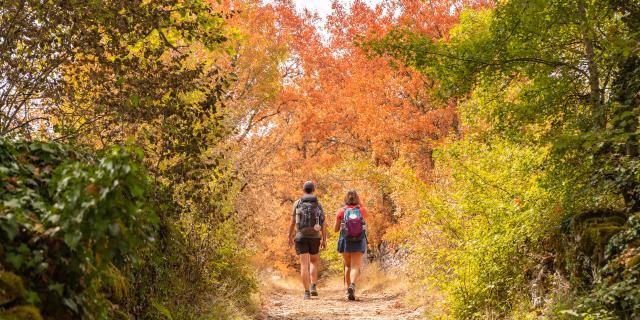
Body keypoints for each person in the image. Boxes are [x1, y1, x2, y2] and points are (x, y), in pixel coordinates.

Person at [288, 181, 327, 300]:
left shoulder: (297, 203)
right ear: (313, 190)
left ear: (304, 190)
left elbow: (292, 222)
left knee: (304, 264)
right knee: (314, 262)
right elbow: (324, 223)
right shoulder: (318, 204)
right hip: (315, 236)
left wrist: (289, 236)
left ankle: (306, 292)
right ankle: (313, 286)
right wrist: (324, 239)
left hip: (301, 236)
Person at [334, 189, 367, 301]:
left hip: (345, 240)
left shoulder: (341, 211)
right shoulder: (362, 210)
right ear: (357, 198)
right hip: (358, 240)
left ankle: (348, 289)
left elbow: (336, 229)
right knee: (355, 266)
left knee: (347, 266)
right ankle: (353, 285)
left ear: (345, 199)